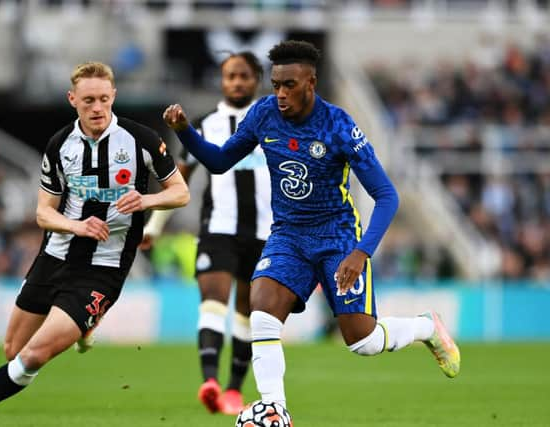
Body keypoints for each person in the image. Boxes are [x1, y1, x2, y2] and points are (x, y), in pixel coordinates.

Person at [163, 40, 460, 415]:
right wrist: (185, 131)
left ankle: (426, 328)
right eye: (276, 85)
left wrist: (360, 251)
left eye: (290, 85)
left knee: (361, 342)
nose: (281, 94)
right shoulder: (263, 114)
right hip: (287, 235)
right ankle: (274, 409)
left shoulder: (338, 125)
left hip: (337, 238)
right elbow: (221, 161)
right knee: (262, 312)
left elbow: (387, 196)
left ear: (311, 82)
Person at [0, 61, 190, 427]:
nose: (97, 108)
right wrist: (77, 226)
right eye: (88, 101)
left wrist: (145, 201)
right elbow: (43, 214)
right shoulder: (60, 145)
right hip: (55, 256)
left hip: (105, 268)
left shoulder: (141, 140)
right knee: (13, 351)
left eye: (103, 99)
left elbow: (181, 192)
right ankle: (84, 326)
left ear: (113, 96)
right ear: (73, 100)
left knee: (34, 355)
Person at [141, 51, 271, 415]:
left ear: (257, 79)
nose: (237, 82)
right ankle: (210, 382)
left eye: (244, 75)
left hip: (265, 234)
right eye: (231, 76)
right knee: (213, 301)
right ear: (222, 80)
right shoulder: (204, 124)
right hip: (218, 229)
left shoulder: (275, 124)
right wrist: (154, 226)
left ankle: (233, 390)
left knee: (250, 312)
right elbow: (179, 181)